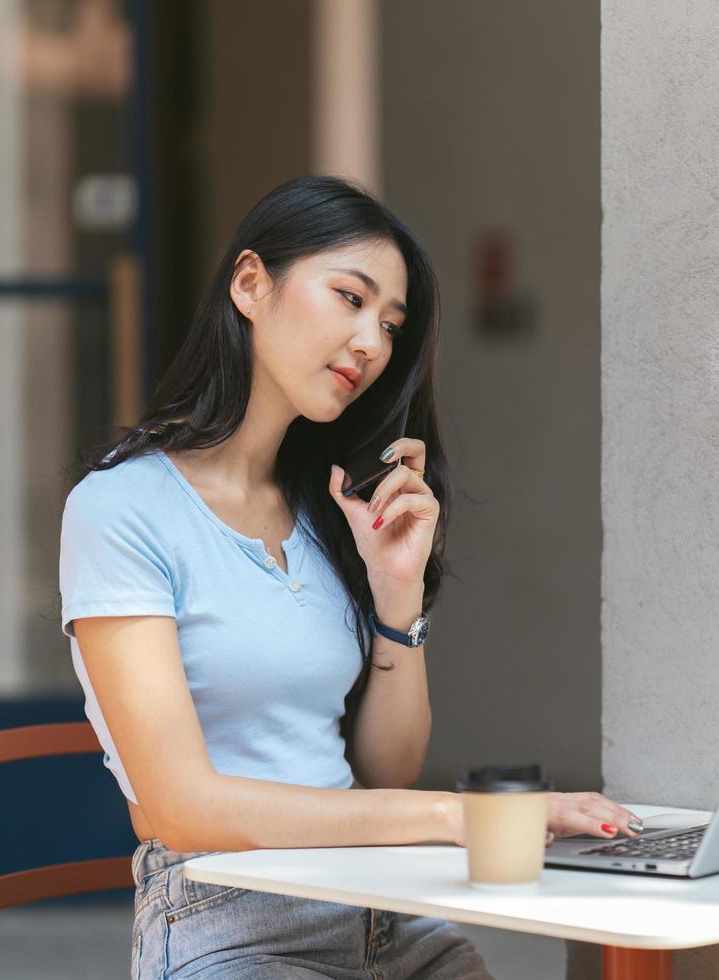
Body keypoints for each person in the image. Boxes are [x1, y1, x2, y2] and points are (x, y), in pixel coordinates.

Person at [58, 175, 641, 979]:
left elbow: (385, 767)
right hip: (232, 924)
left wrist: (397, 596)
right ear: (250, 284)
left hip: (382, 919)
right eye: (350, 298)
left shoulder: (327, 509)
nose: (372, 342)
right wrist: (463, 817)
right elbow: (181, 808)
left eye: (391, 325)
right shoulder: (122, 510)